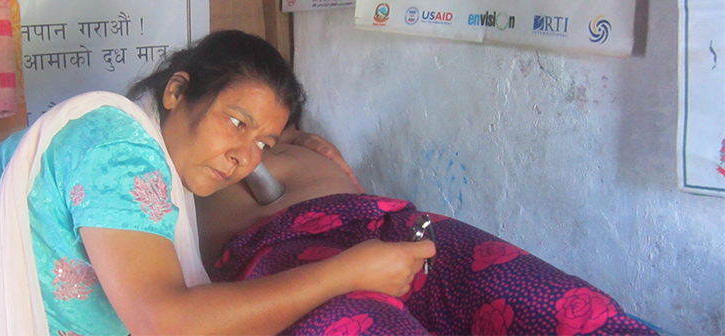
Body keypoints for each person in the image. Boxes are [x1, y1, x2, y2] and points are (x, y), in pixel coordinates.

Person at [0, 30, 435, 336]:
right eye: (236, 121)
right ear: (176, 93)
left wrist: (287, 142)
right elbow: (164, 320)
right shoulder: (120, 152)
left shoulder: (138, 157)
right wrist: (350, 271)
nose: (244, 158)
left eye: (264, 145)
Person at [198, 142, 661, 335]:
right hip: (279, 256)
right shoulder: (155, 172)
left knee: (548, 301)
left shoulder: (291, 136)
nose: (251, 140)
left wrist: (294, 136)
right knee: (355, 320)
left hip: (382, 224)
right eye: (236, 118)